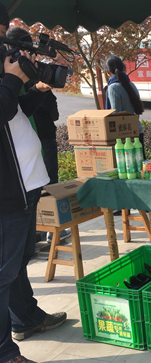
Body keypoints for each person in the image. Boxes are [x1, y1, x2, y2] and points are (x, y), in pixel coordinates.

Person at [0, 4, 67, 363]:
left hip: (25, 185)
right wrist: (12, 79)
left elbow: (14, 112)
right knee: (3, 272)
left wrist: (37, 88)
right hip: (6, 193)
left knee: (19, 260)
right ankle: (3, 353)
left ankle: (26, 318)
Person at [6, 27, 68, 243]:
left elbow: (20, 110)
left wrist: (39, 88)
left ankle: (42, 232)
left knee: (24, 251)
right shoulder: (10, 80)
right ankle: (49, 230)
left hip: (32, 177)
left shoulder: (17, 80)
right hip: (16, 185)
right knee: (13, 260)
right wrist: (14, 79)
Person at [104, 55, 145, 156]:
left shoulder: (113, 88)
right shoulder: (131, 85)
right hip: (137, 131)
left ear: (107, 72)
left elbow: (116, 114)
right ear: (124, 68)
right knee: (140, 163)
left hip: (123, 137)